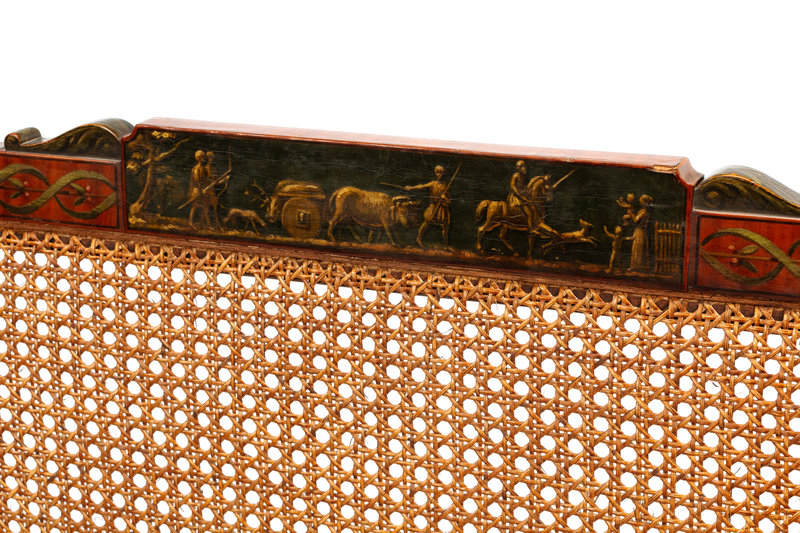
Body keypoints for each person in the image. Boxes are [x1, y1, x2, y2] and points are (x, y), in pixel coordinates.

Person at [405, 165, 451, 248]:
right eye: (438, 172)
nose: (439, 174)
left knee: (445, 227)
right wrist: (411, 188)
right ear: (435, 173)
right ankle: (419, 238)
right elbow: (421, 186)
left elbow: (449, 202)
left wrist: (445, 198)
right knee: (426, 223)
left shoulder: (445, 186)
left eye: (441, 173)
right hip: (433, 208)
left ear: (443, 174)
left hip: (441, 209)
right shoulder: (432, 184)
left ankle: (446, 245)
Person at [629, 194, 653, 272]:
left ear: (644, 202)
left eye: (641, 201)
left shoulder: (644, 212)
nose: (640, 202)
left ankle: (637, 267)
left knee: (638, 249)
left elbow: (636, 220)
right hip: (640, 231)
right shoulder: (643, 211)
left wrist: (630, 214)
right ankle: (636, 267)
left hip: (640, 232)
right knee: (637, 249)